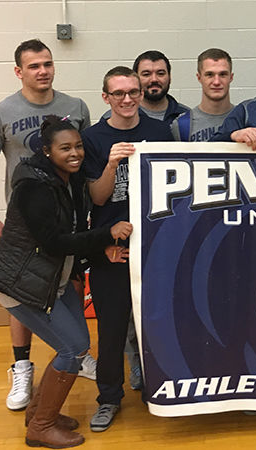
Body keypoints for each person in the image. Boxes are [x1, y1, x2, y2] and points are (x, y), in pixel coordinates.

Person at [0, 116, 132, 448]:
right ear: (47, 151)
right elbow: (53, 242)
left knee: (76, 347)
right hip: (22, 284)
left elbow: (74, 232)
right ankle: (41, 427)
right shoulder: (34, 186)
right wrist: (106, 234)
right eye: (65, 148)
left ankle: (37, 413)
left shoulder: (69, 179)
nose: (75, 153)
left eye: (78, 146)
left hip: (54, 280)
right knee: (72, 348)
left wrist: (101, 249)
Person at [0, 38, 94, 412]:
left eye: (47, 63)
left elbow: (84, 159)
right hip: (25, 223)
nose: (42, 71)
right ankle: (23, 364)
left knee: (66, 280)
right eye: (34, 66)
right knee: (24, 290)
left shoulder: (75, 107)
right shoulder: (0, 111)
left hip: (68, 213)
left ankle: (72, 351)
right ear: (19, 72)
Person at [82, 66, 174, 432]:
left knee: (159, 323)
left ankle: (162, 386)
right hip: (112, 247)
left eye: (132, 91)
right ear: (105, 97)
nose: (126, 99)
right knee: (111, 328)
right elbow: (96, 197)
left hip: (154, 246)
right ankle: (108, 398)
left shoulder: (158, 131)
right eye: (117, 93)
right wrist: (111, 163)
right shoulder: (93, 138)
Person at [172, 48, 235, 142]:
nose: (217, 82)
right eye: (209, 75)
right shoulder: (181, 125)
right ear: (199, 77)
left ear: (231, 77)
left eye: (222, 74)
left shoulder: (245, 119)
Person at [133, 50, 189, 123]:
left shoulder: (187, 117)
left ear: (170, 77)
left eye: (160, 73)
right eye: (146, 74)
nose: (154, 79)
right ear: (135, 79)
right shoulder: (122, 117)